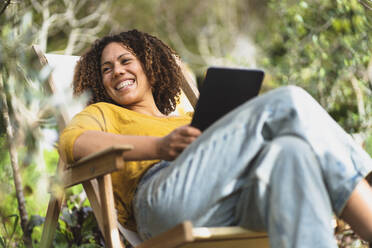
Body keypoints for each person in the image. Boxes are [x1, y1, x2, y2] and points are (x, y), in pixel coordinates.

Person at [59, 29, 372, 247]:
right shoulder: (105, 113)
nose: (117, 71)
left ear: (149, 67)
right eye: (106, 69)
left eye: (126, 61)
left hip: (228, 202)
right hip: (163, 200)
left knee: (291, 152)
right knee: (290, 101)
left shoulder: (185, 119)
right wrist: (159, 147)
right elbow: (73, 143)